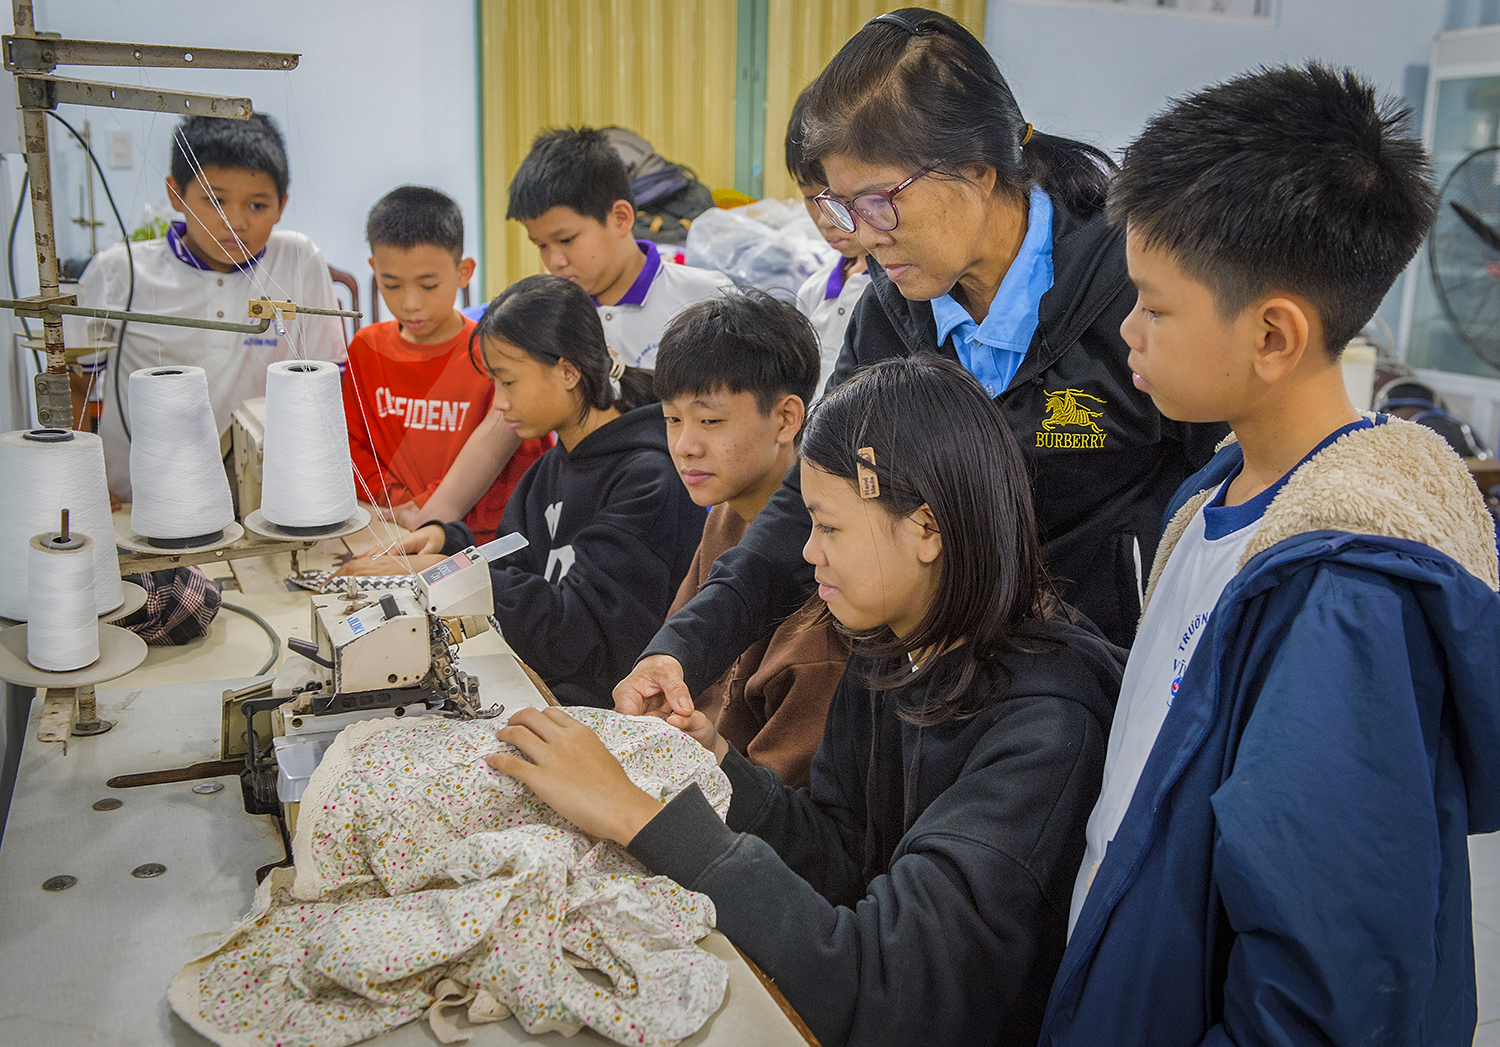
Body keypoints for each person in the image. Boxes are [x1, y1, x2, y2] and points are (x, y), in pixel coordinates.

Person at [1040, 64, 1500, 1046]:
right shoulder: (1213, 491)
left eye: (1156, 308)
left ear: (1274, 333)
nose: (1127, 329)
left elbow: (1317, 992)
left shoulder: (1343, 597)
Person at [487, 356, 1123, 1047]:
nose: (810, 552)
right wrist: (720, 761)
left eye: (830, 527)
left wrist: (638, 815)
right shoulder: (891, 645)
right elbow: (844, 856)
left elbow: (888, 986)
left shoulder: (1046, 730)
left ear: (928, 529)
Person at [615, 9, 1225, 723]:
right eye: (839, 208)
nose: (862, 238)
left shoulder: (1131, 291)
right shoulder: (893, 315)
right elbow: (811, 496)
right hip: (936, 681)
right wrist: (683, 646)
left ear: (977, 165)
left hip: (1100, 691)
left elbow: (1218, 487)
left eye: (880, 201)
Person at [341, 275, 705, 708]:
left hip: (610, 706)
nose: (499, 402)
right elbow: (517, 559)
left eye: (508, 382)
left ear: (568, 372)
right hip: (553, 682)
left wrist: (448, 572)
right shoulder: (553, 465)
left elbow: (577, 632)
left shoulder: (648, 479)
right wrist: (447, 541)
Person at [68, 113, 344, 501]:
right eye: (214, 201)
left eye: (257, 205)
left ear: (282, 205)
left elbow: (328, 385)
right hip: (138, 500)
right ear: (175, 194)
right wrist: (84, 481)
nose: (235, 222)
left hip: (262, 499)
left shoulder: (297, 261)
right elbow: (76, 382)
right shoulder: (120, 271)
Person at [656, 289, 846, 789]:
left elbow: (788, 804)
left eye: (711, 421)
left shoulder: (827, 565)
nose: (685, 445)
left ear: (786, 418)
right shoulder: (725, 514)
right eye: (673, 419)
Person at [341, 186, 548, 542]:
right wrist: (399, 503)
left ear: (463, 272)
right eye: (391, 284)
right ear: (374, 269)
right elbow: (350, 446)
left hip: (475, 539)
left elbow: (520, 465)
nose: (410, 304)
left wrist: (424, 507)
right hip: (389, 524)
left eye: (428, 285)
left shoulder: (495, 354)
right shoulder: (367, 348)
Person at [505, 126, 733, 368]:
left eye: (566, 240)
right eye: (541, 245)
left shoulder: (708, 299)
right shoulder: (547, 320)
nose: (554, 262)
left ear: (621, 218)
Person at [785, 89, 871, 397]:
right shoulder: (813, 291)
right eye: (811, 199)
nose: (825, 219)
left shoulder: (910, 293)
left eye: (840, 199)